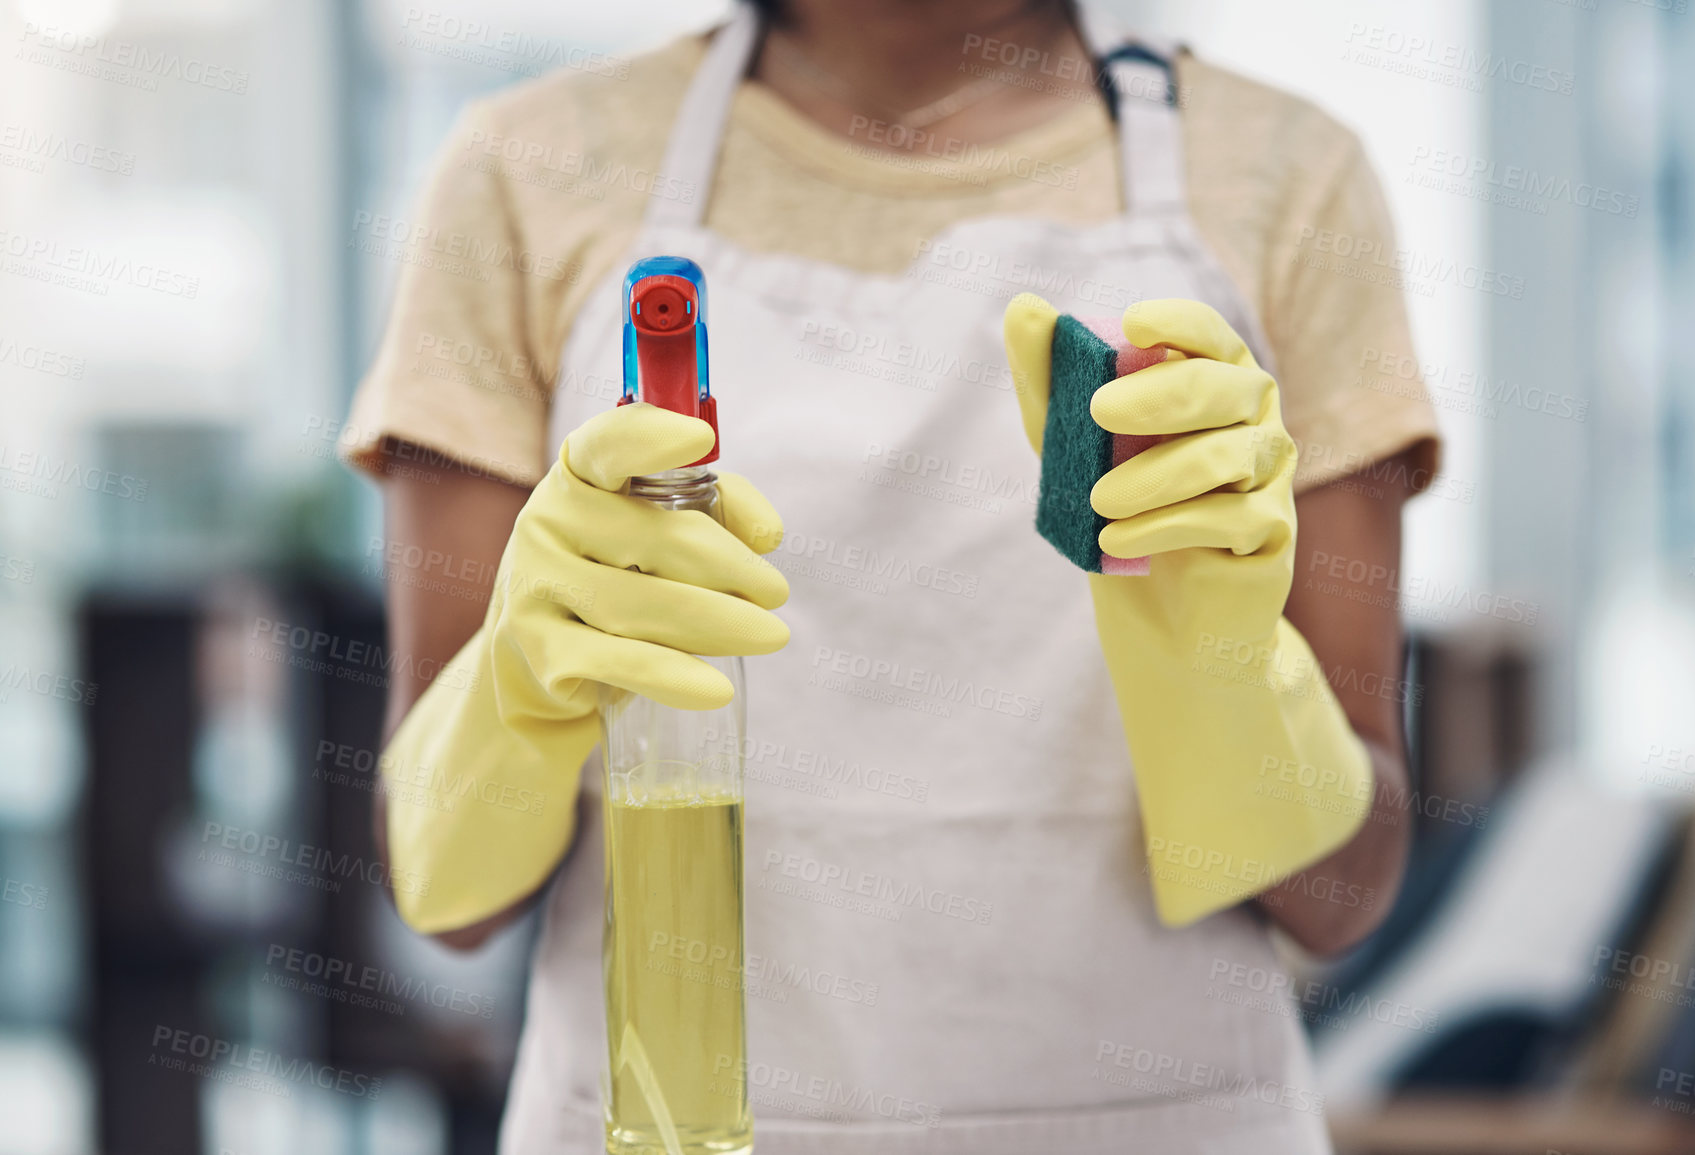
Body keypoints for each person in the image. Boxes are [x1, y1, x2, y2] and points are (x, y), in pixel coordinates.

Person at [345, 0, 1440, 1150]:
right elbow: (443, 897)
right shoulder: (526, 172)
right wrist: (517, 686)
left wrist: (1230, 668)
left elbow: (1342, 899)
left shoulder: (1287, 174)